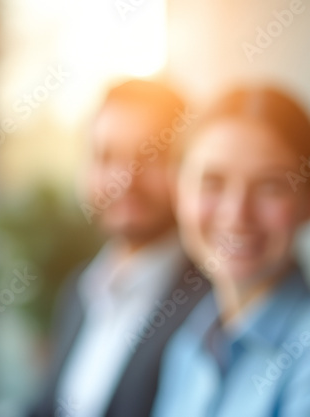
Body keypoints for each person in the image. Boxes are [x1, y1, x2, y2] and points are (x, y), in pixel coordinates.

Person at [151, 86, 310, 417]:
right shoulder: (187, 343)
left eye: (270, 186)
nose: (236, 215)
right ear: (177, 193)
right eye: (212, 182)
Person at [29, 80, 211, 417]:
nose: (125, 179)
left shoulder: (214, 302)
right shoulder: (80, 287)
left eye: (150, 156)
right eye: (107, 156)